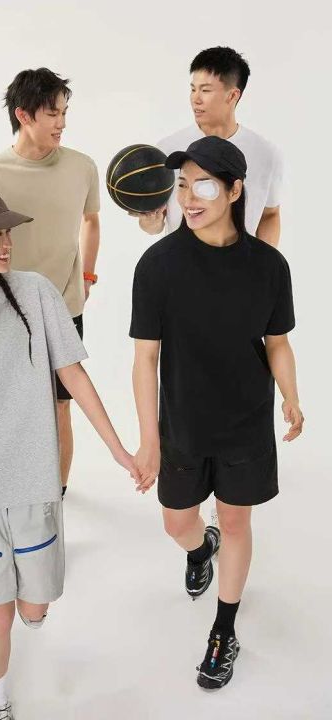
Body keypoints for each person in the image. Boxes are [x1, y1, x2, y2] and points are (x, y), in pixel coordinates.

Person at [0, 185, 143, 720]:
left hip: (34, 481)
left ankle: (33, 617)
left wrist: (119, 451)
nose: (7, 243)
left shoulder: (35, 293)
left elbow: (72, 375)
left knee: (33, 607)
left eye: (8, 232)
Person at [129, 136, 303, 689]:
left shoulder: (268, 266)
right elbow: (145, 359)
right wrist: (149, 439)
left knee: (236, 521)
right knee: (177, 522)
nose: (188, 198)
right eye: (181, 185)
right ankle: (201, 548)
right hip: (182, 423)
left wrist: (291, 395)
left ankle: (224, 630)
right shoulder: (158, 266)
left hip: (246, 421)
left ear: (234, 190)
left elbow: (277, 342)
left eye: (203, 186)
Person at [0, 67, 100, 498]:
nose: (61, 123)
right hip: (9, 310)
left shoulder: (82, 166)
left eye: (64, 112)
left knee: (61, 404)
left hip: (65, 307)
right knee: (15, 406)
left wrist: (87, 275)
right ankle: (14, 485)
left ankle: (54, 494)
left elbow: (91, 221)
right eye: (52, 114)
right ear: (24, 115)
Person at [136, 46, 283, 247]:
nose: (195, 99)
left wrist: (264, 261)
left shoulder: (266, 154)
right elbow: (154, 226)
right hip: (182, 263)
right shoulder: (168, 149)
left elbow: (270, 214)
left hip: (240, 264)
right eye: (193, 89)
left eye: (205, 90)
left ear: (232, 96)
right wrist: (149, 221)